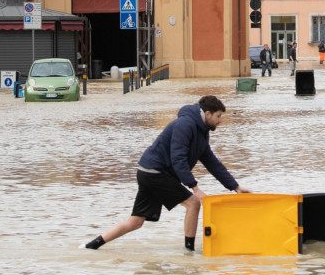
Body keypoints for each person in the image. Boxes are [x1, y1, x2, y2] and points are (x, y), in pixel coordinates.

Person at [83, 95, 251, 251]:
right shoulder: (185, 125)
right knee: (193, 203)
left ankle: (91, 247)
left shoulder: (202, 131)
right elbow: (178, 158)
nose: (220, 121)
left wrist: (235, 187)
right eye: (219, 116)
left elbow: (212, 162)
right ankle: (189, 252)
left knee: (135, 222)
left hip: (149, 172)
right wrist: (194, 187)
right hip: (154, 172)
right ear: (207, 114)